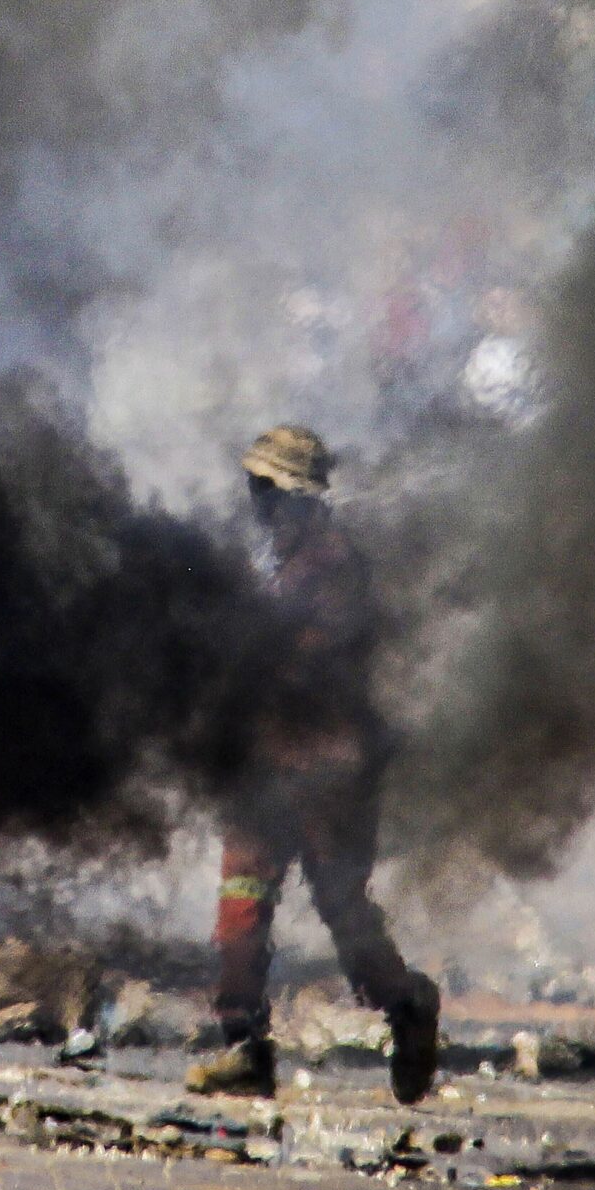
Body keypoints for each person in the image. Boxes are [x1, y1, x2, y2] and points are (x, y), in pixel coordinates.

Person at [187, 425, 441, 1105]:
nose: (258, 503)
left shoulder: (330, 567)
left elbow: (303, 663)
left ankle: (408, 1008)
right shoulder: (289, 563)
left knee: (342, 907)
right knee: (241, 903)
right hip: (271, 764)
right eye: (255, 488)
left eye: (267, 490)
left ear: (296, 497)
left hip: (329, 770)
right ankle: (244, 1048)